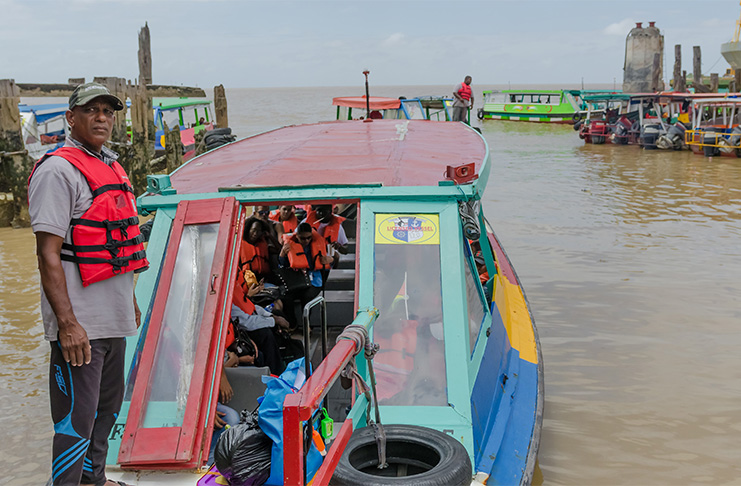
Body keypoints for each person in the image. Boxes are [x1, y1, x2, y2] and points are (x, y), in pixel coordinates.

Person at [28, 82, 147, 486]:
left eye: (108, 111)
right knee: (74, 425)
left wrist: (130, 298)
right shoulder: (58, 170)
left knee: (105, 416)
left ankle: (93, 481)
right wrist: (67, 324)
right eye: (92, 110)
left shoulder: (112, 167)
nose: (101, 118)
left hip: (113, 321)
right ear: (71, 117)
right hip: (80, 327)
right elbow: (48, 254)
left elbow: (119, 247)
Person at [279, 223, 335, 328]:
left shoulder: (318, 244)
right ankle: (293, 324)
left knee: (307, 296)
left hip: (314, 281)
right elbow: (283, 265)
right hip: (296, 280)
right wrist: (282, 255)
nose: (306, 241)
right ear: (297, 236)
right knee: (286, 296)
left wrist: (330, 260)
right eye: (302, 238)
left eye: (309, 238)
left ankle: (307, 325)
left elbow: (331, 260)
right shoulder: (290, 244)